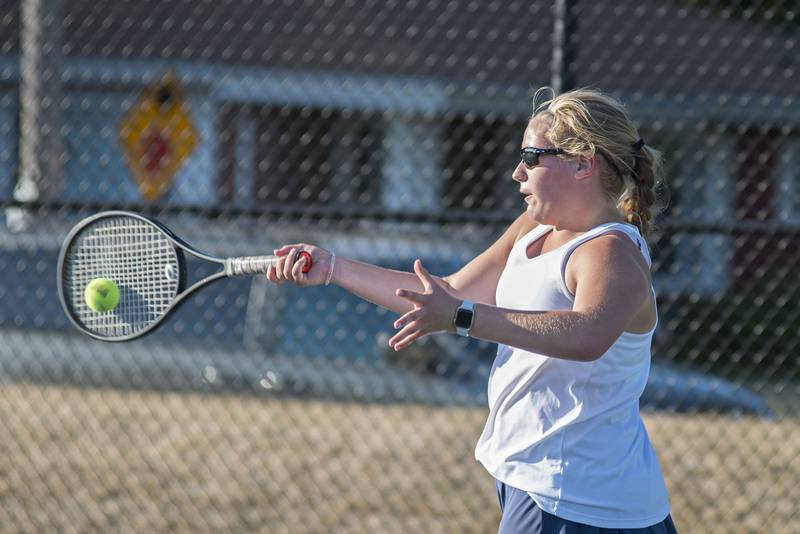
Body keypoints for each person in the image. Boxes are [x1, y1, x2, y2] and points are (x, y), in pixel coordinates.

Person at [266, 87, 677, 533]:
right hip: (542, 484)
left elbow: (585, 336)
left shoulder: (610, 251)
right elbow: (443, 293)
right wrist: (332, 268)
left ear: (583, 162)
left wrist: (462, 316)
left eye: (533, 156)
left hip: (579, 499)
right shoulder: (533, 227)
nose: (517, 171)